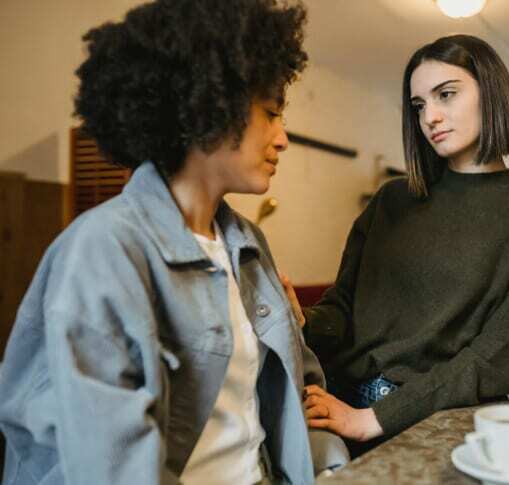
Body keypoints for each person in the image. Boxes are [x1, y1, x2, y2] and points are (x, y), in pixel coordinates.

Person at [0, 0, 347, 483]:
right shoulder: (104, 249)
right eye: (271, 112)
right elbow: (111, 466)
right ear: (208, 105)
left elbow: (289, 391)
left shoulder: (248, 245)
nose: (283, 137)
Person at [295, 34, 509, 455]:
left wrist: (372, 419)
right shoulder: (391, 200)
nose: (430, 117)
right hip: (335, 405)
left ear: (491, 92)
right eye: (419, 105)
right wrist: (299, 320)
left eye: (446, 95)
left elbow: (497, 359)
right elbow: (344, 310)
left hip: (434, 425)